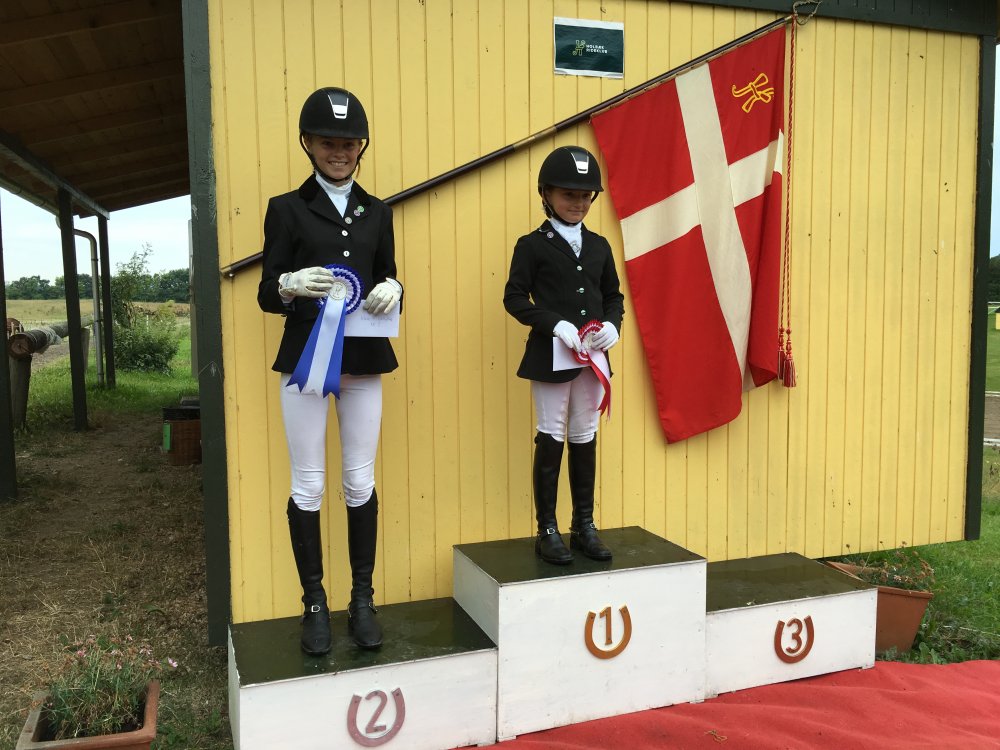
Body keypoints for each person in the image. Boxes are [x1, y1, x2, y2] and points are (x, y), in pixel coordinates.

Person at [257, 87, 402, 656]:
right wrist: (288, 285)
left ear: (361, 146)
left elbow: (386, 274)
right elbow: (267, 293)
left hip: (363, 360)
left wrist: (395, 287)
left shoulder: (378, 211)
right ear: (308, 144)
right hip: (306, 363)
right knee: (309, 484)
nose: (339, 152)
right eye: (327, 143)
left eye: (348, 143)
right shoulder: (286, 209)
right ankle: (314, 602)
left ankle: (362, 598)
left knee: (359, 481)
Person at [503, 145, 625, 565]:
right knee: (552, 433)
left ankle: (584, 525)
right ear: (546, 194)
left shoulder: (599, 245)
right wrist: (554, 324)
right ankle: (548, 530)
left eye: (585, 196)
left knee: (585, 433)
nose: (578, 203)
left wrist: (612, 325)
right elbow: (514, 297)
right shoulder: (532, 245)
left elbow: (613, 296)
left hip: (593, 359)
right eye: (568, 194)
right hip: (552, 356)